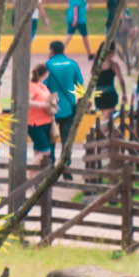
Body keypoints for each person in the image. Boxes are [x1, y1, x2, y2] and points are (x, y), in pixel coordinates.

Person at [47, 38, 86, 176]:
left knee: (51, 137)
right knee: (66, 139)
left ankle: (50, 165)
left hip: (52, 108)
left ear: (52, 50)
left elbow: (44, 86)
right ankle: (65, 167)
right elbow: (80, 85)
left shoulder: (48, 64)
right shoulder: (73, 64)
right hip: (69, 108)